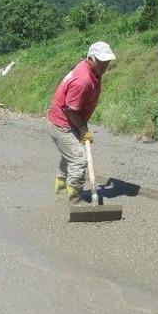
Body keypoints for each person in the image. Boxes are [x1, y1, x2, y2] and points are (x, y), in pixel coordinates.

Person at [48, 41, 115, 203]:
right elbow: (71, 110)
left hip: (71, 120)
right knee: (79, 159)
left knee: (70, 155)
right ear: (90, 58)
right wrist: (83, 129)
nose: (105, 66)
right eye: (101, 62)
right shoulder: (82, 80)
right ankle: (75, 200)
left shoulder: (93, 71)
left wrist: (82, 126)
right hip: (62, 124)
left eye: (107, 62)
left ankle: (61, 188)